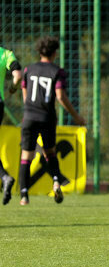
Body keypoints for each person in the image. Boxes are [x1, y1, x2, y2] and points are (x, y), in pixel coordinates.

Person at [17, 36, 86, 206]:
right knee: (50, 152)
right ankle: (56, 181)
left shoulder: (29, 69)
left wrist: (28, 109)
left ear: (39, 52)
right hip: (47, 117)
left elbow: (24, 91)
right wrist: (76, 116)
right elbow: (60, 95)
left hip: (30, 116)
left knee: (27, 156)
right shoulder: (57, 71)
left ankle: (24, 196)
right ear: (55, 53)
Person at [0, 43, 23, 203]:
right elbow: (18, 75)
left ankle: (5, 176)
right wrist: (13, 88)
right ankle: (4, 177)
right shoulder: (6, 54)